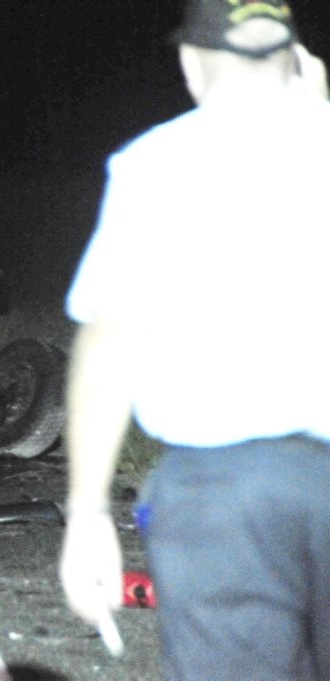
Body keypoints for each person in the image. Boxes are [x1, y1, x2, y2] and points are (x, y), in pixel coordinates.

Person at [59, 1, 330, 678]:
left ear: (189, 62)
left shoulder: (155, 164)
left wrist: (88, 512)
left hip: (223, 494)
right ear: (293, 57)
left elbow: (108, 344)